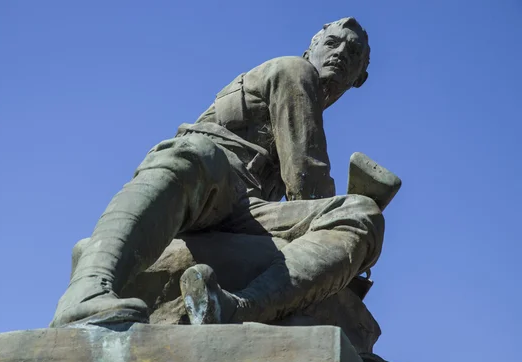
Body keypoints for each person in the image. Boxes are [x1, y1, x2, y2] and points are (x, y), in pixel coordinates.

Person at [50, 17, 384, 327]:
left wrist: (353, 210)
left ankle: (235, 308)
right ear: (310, 49)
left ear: (361, 78)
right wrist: (331, 216)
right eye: (333, 43)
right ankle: (89, 286)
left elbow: (304, 195)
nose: (340, 52)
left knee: (362, 214)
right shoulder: (295, 71)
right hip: (207, 184)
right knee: (197, 153)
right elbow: (306, 182)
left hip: (246, 211)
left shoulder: (311, 95)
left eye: (353, 52)